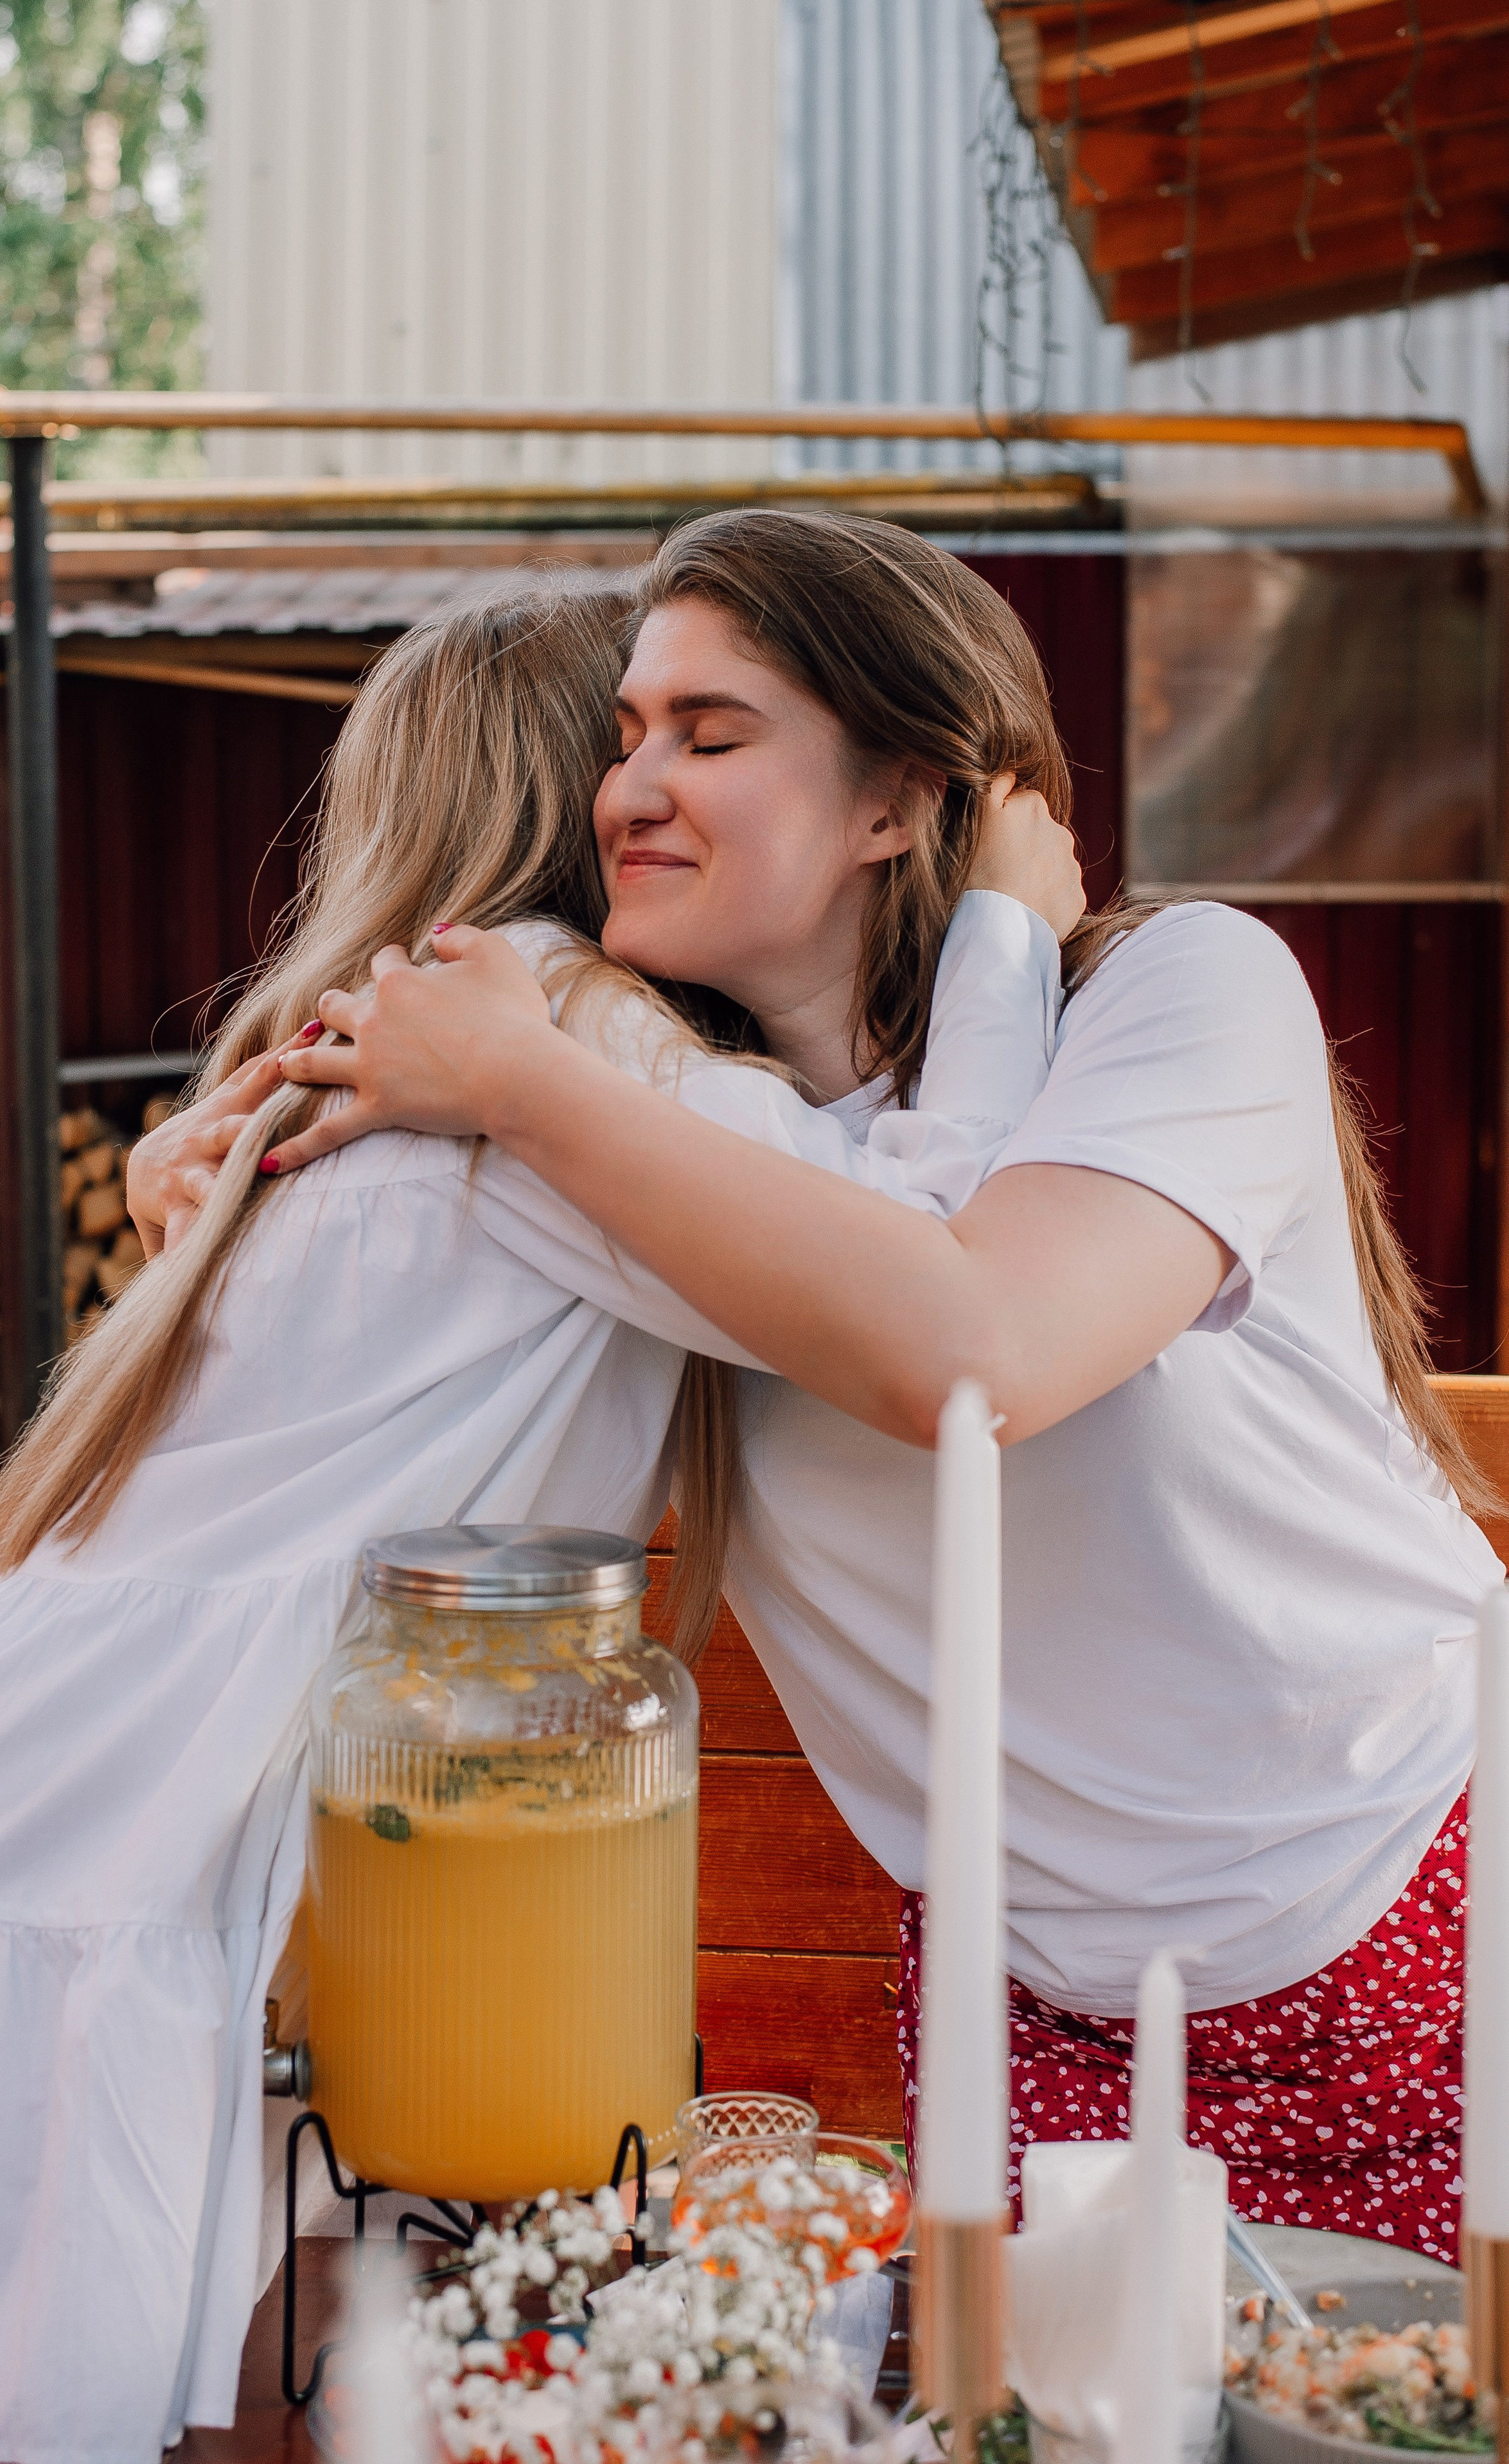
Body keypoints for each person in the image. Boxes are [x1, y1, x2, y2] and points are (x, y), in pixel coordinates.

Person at [248, 508, 1502, 2264]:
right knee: (1047, 2404)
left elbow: (979, 1352)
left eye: (710, 735)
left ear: (901, 802)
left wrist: (525, 1084)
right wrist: (215, 1167)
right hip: (1037, 2003)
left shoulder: (1178, 989)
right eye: (625, 735)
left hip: (1428, 1921)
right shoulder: (664, 1139)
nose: (631, 789)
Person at [0, 576, 1021, 2464]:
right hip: (113, 1837)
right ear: (577, 790)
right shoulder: (572, 1073)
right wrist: (1006, 936)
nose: (657, 785)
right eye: (632, 739)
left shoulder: (334, 1076)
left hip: (9, 1775)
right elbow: (937, 1250)